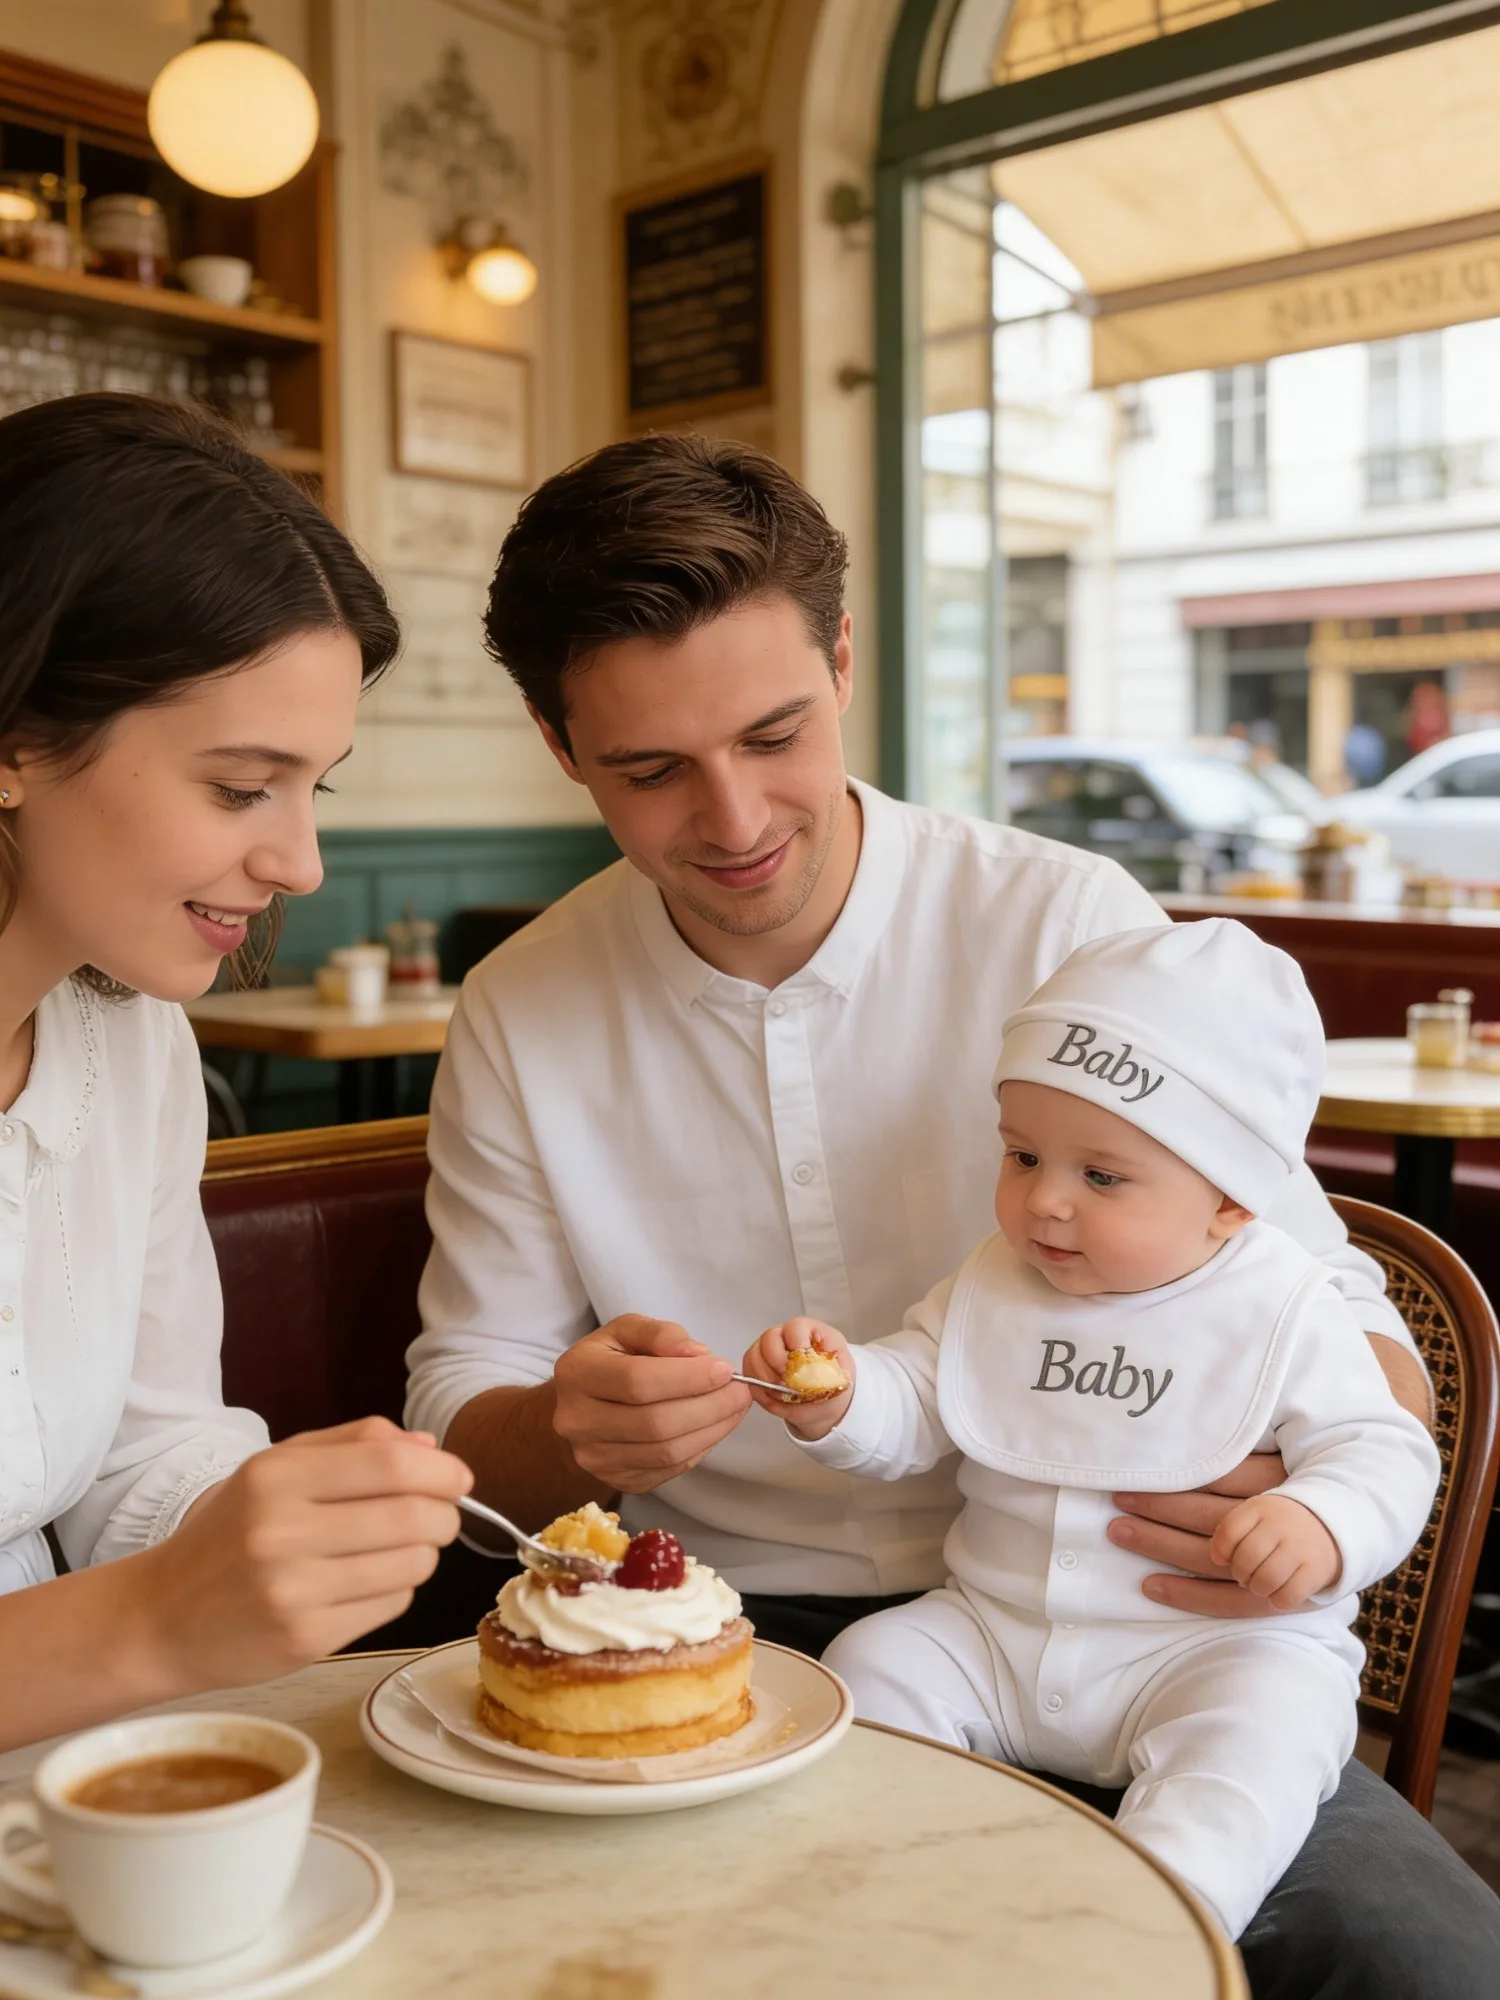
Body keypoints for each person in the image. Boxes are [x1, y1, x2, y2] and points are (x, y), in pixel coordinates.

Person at [406, 433, 1499, 1996]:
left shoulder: (1067, 927)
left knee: (1434, 1970)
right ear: (558, 743)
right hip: (742, 1634)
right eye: (651, 769)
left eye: (775, 732)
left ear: (845, 661)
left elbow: (1343, 1315)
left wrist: (1295, 1474)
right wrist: (572, 1424)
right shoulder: (522, 1010)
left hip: (1152, 1625)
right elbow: (459, 1403)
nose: (732, 819)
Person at [742, 918, 1440, 1942]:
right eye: (1023, 1154)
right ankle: (905, 1898)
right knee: (875, 1665)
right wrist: (843, 1395)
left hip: (1213, 1649)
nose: (1043, 1203)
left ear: (1233, 1200)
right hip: (994, 1627)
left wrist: (1320, 1516)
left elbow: (1381, 1449)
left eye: (1100, 1175)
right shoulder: (997, 1280)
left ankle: (1146, 1934)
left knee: (1257, 1751)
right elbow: (922, 1387)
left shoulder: (1286, 1306)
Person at [0, 394, 472, 1755]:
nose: (300, 867)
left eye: (311, 788)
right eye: (237, 787)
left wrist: (284, 1523)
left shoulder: (130, 1041)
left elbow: (143, 1460)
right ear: (15, 737)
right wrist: (158, 1620)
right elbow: (144, 1607)